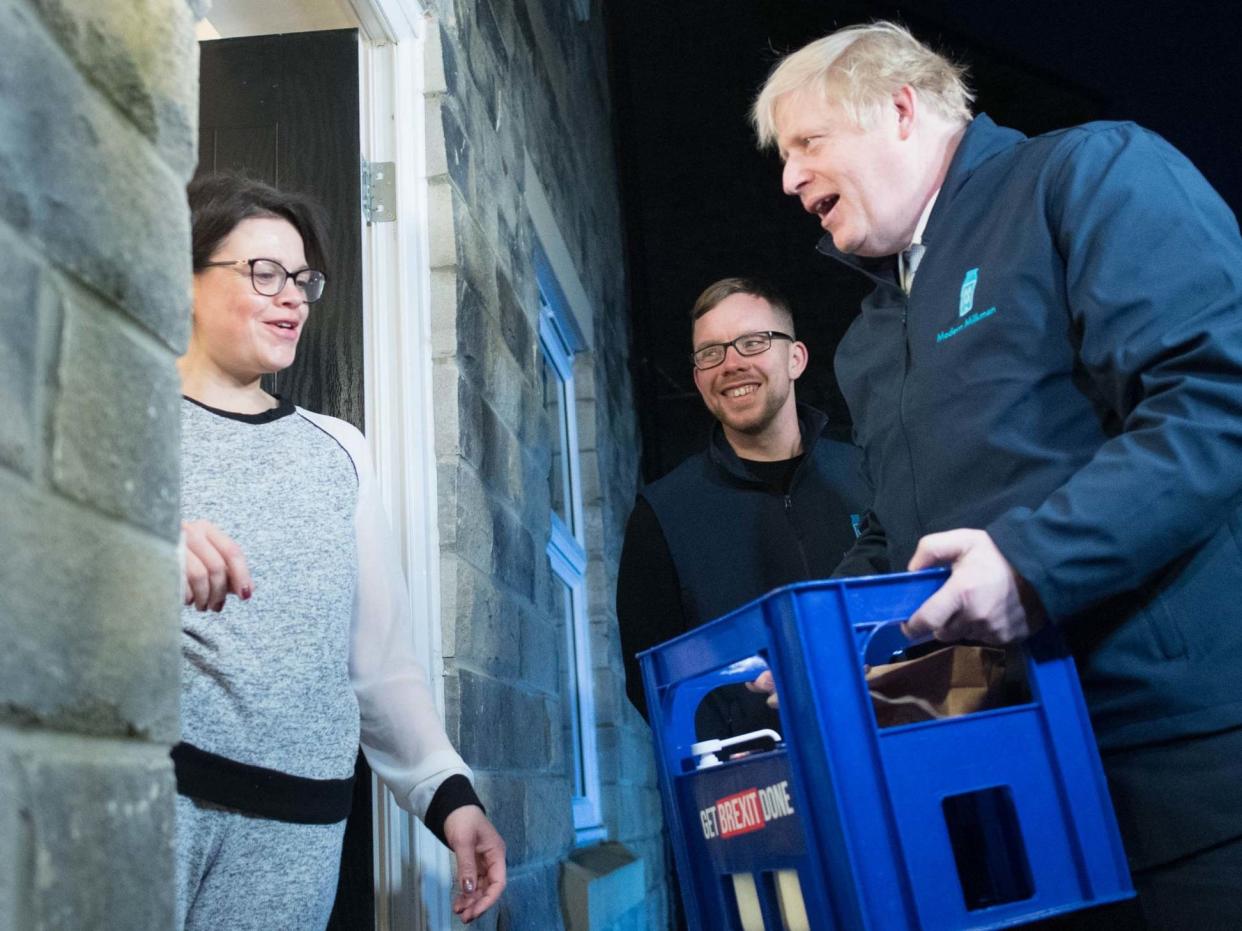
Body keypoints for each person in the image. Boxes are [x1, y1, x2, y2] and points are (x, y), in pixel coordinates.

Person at [752, 21, 1242, 927]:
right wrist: (810, 638)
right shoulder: (870, 333)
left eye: (807, 143)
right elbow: (894, 534)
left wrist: (1033, 565)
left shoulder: (1087, 175)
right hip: (1005, 782)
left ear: (900, 108)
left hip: (1183, 776)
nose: (788, 178)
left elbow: (1216, 396)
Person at [174, 173, 505, 929]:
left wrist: (448, 795)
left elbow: (378, 664)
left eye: (301, 279)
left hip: (299, 829)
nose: (292, 297)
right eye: (263, 273)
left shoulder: (339, 452)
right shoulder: (112, 418)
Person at [617, 277, 870, 737]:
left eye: (753, 342)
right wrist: (725, 750)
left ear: (795, 358)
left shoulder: (868, 474)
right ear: (697, 378)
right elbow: (648, 680)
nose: (731, 364)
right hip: (754, 783)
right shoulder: (663, 513)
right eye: (710, 353)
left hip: (890, 740)